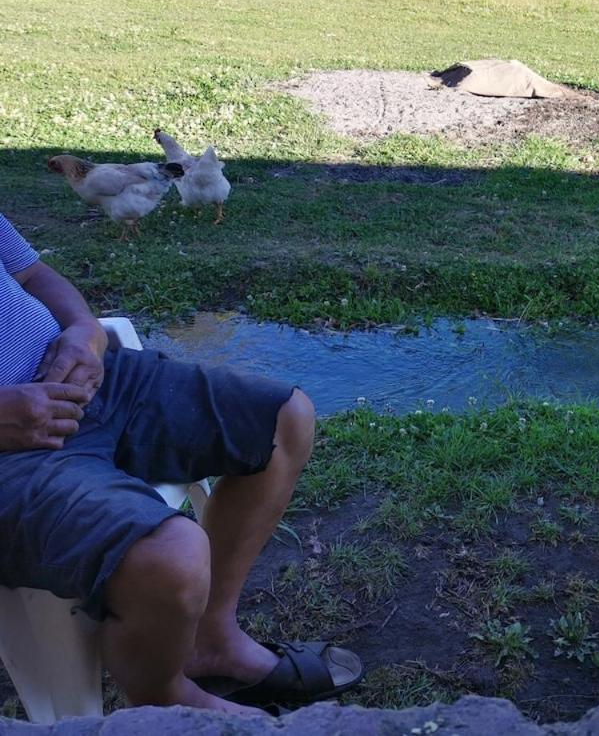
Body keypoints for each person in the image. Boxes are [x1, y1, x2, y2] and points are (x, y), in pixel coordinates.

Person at [0, 213, 361, 714]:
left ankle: (210, 637)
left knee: (283, 419)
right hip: (11, 452)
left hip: (87, 382)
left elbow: (31, 274)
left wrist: (84, 331)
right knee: (171, 556)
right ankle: (163, 697)